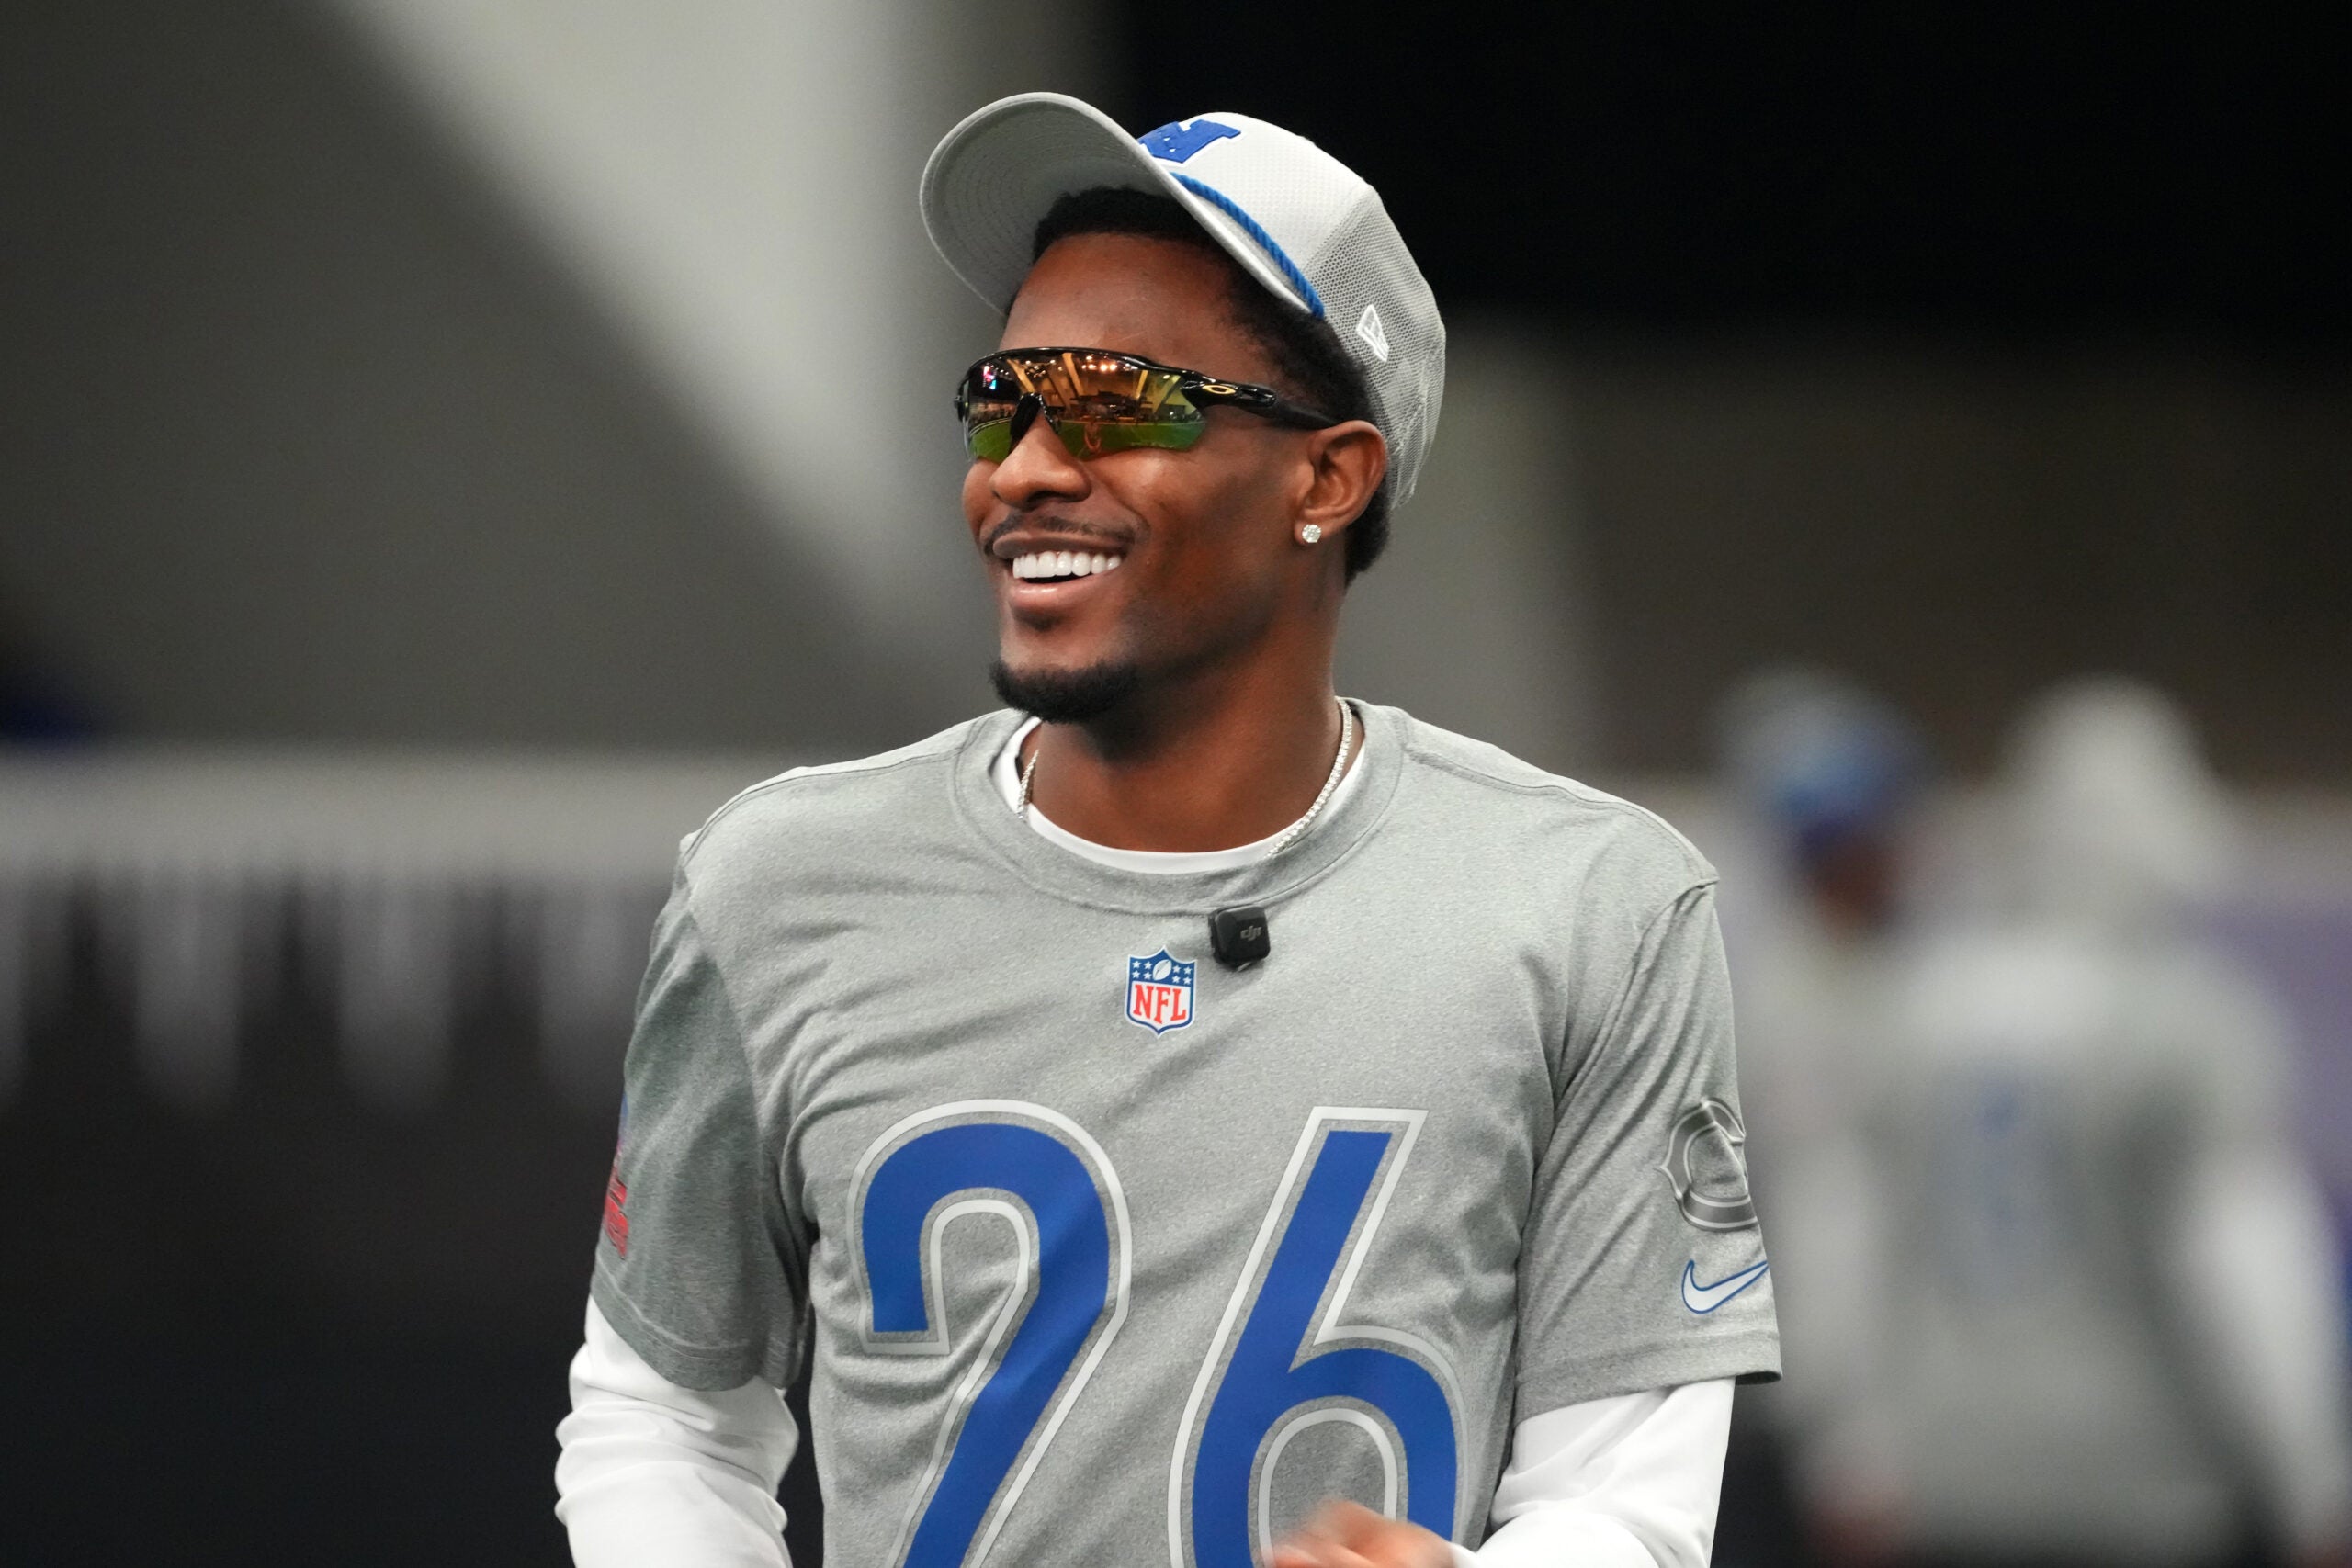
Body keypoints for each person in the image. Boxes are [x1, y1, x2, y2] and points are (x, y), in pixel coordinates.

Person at [551, 92, 1779, 1568]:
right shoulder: (777, 885)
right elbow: (668, 1407)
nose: (1021, 469)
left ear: (1327, 477)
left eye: (1113, 402)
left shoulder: (1594, 904)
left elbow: (1629, 1499)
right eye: (1002, 401)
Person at [1763, 677, 2352, 1568]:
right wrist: (2309, 1478)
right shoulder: (2185, 1017)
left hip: (1938, 1487)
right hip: (2148, 1491)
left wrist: (1842, 1449)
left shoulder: (1909, 1006)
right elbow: (2243, 1267)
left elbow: (1840, 1242)